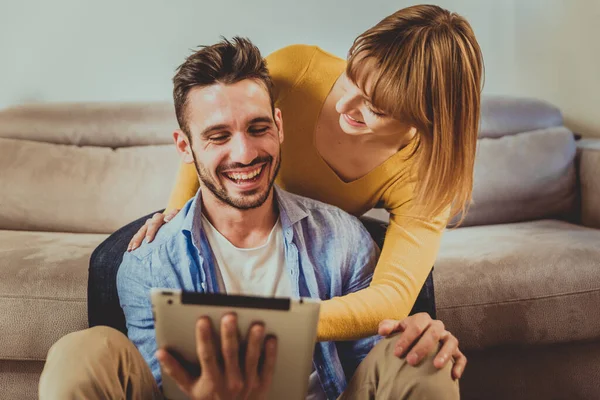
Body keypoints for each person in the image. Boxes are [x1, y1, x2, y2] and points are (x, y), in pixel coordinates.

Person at [40, 37, 459, 400]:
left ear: (279, 125)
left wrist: (416, 342)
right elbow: (156, 381)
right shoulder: (149, 262)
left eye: (257, 128)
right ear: (184, 148)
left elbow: (377, 356)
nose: (244, 154)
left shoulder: (345, 239)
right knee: (79, 353)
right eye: (219, 136)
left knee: (423, 358)